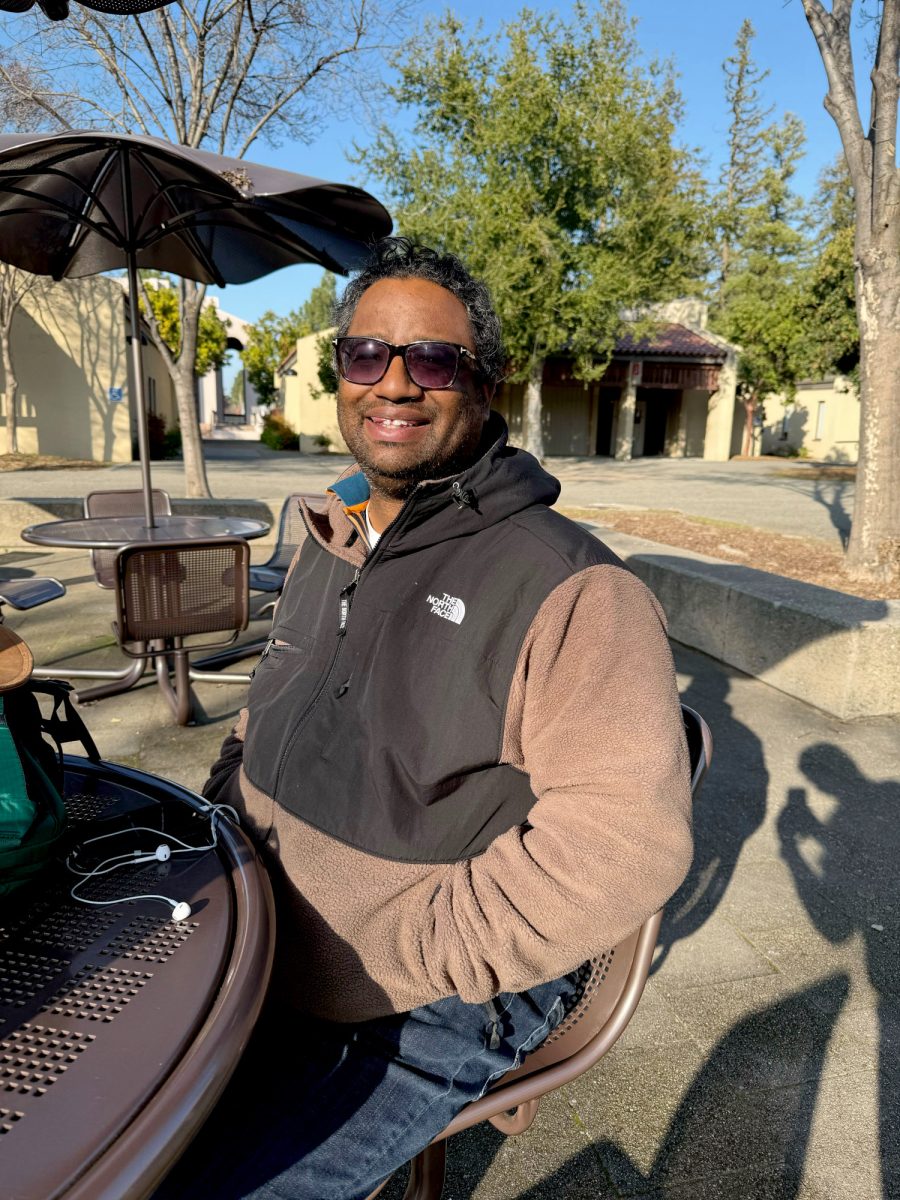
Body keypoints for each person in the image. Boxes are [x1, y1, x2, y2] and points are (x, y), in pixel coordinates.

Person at [155, 237, 692, 1200]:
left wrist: (411, 953)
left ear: (481, 383)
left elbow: (626, 842)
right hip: (252, 938)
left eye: (431, 359)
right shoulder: (331, 533)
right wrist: (218, 820)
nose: (393, 384)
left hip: (417, 998)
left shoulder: (572, 589)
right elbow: (264, 712)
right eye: (367, 355)